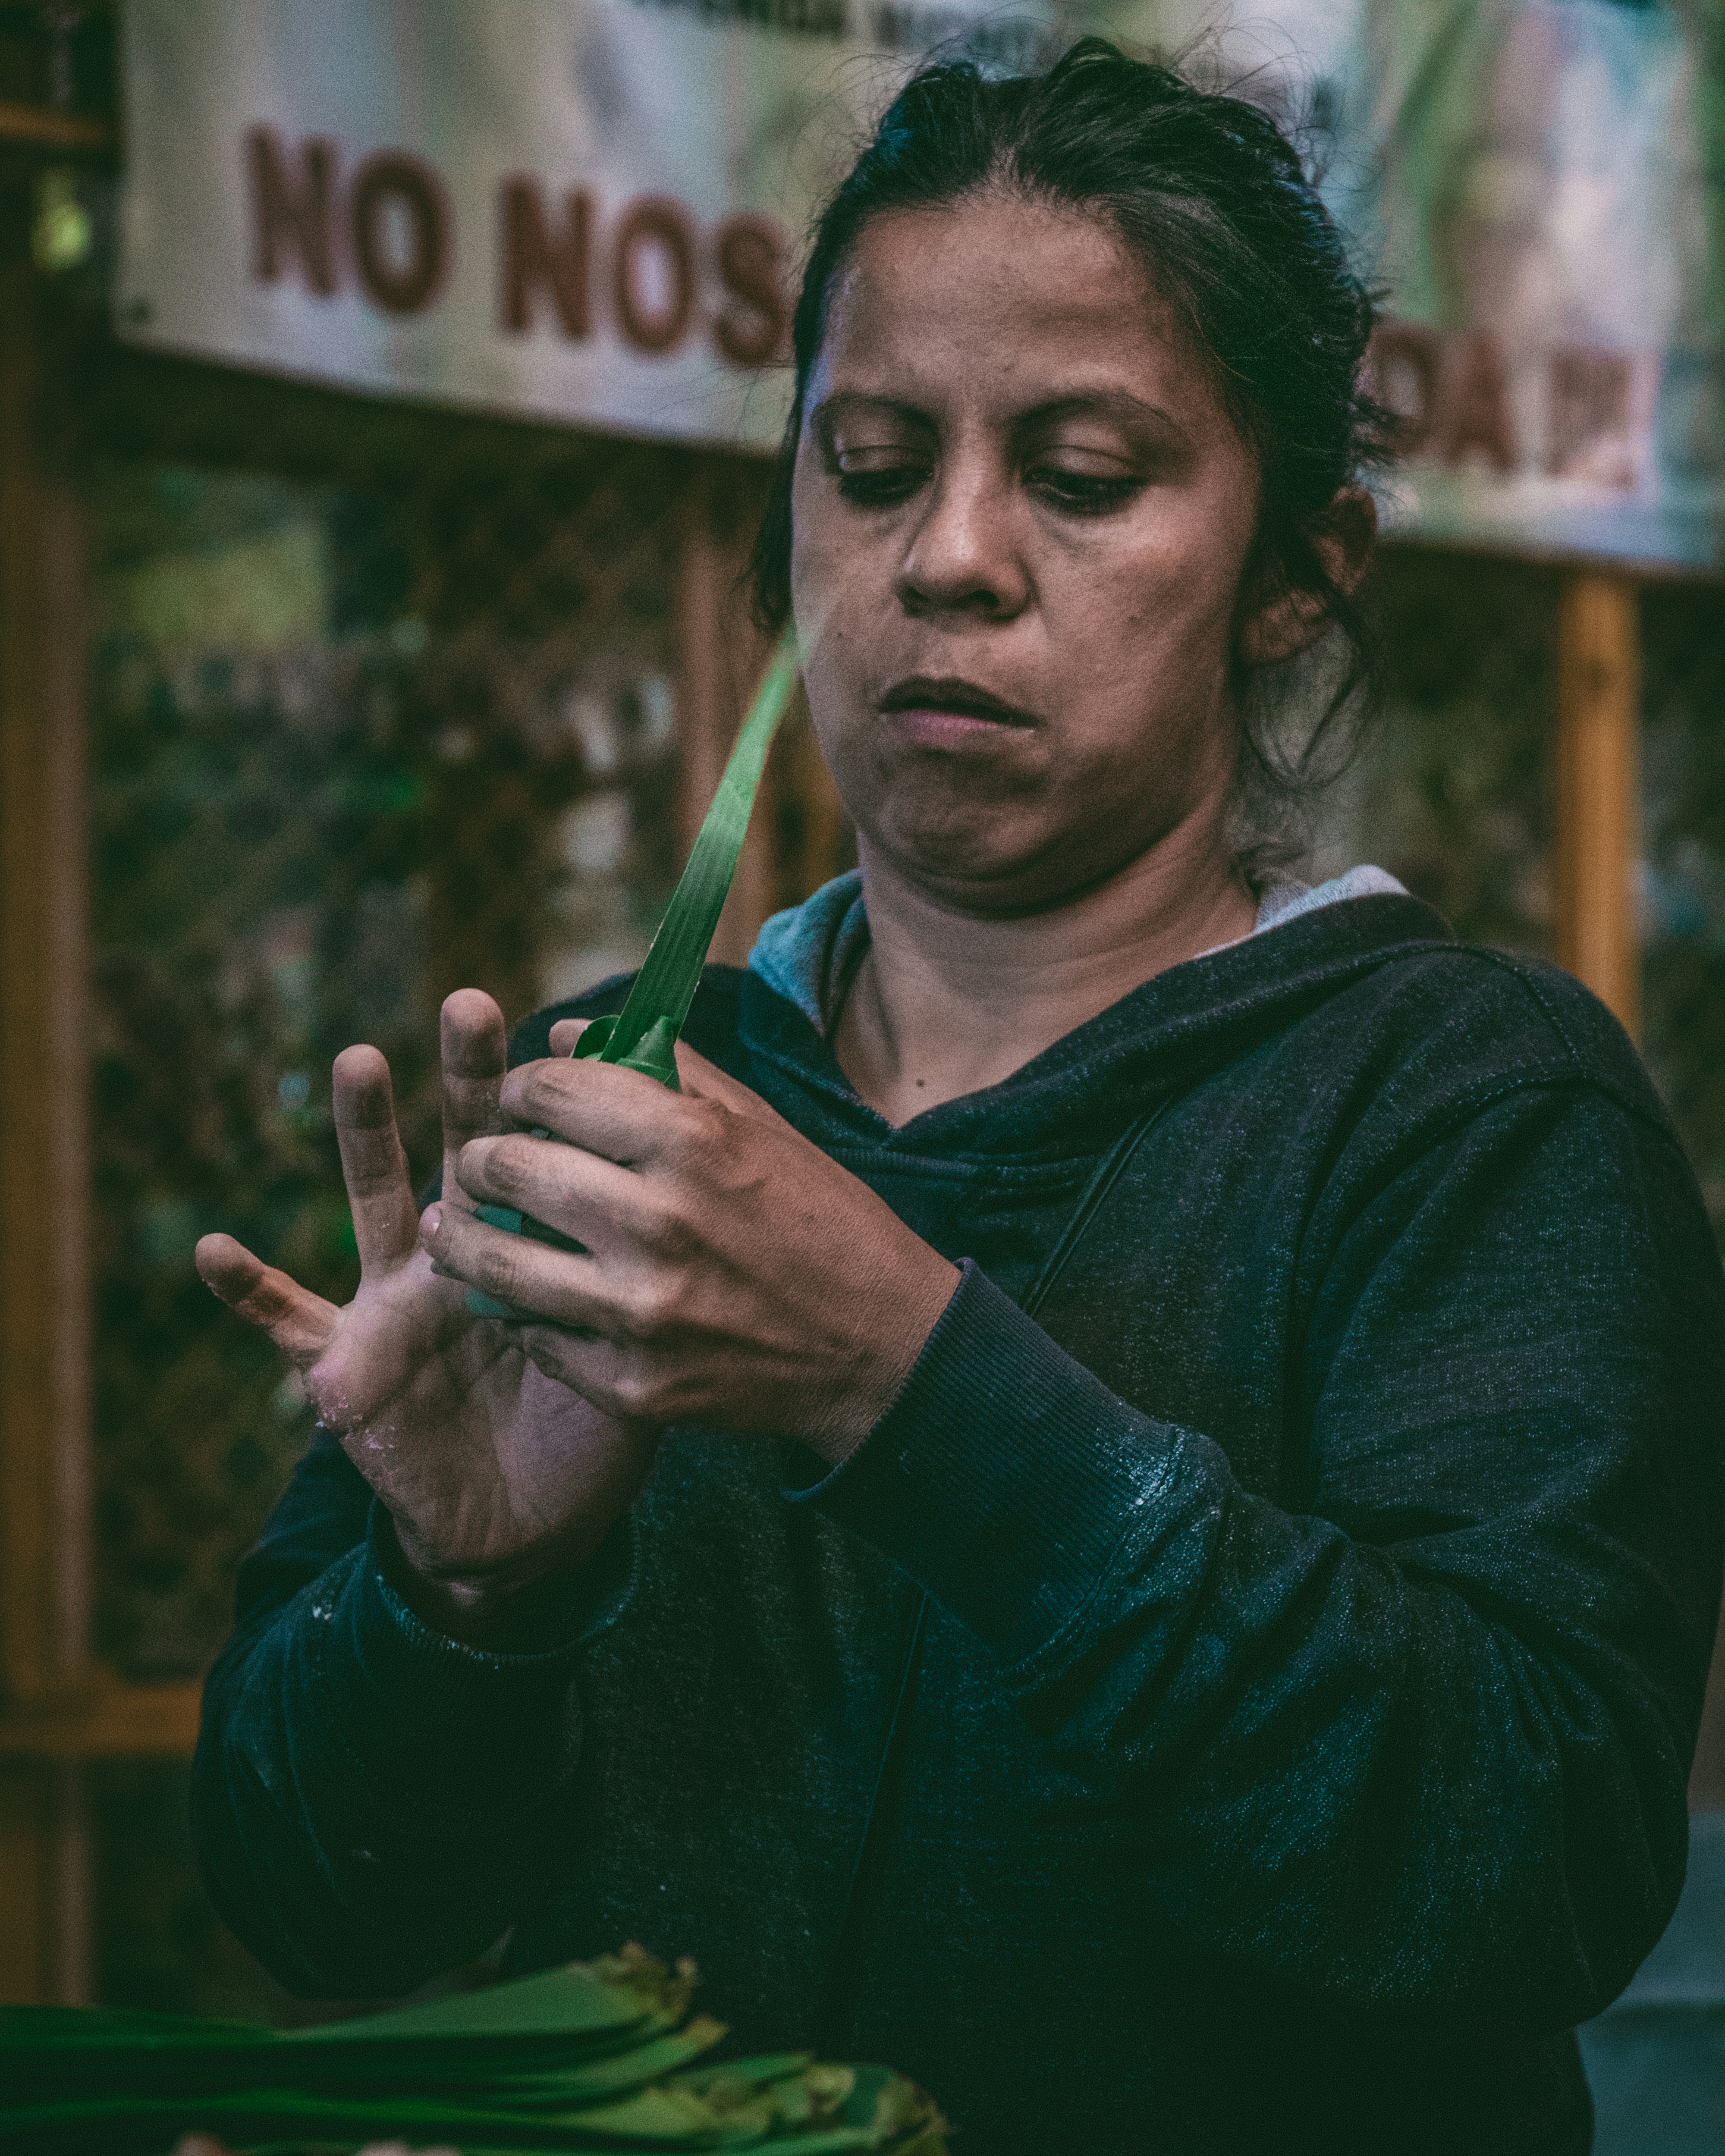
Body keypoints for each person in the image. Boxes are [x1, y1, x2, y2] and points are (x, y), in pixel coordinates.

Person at [192, 42, 1724, 2156]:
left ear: (1297, 566)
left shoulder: (1469, 1109)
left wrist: (907, 1388)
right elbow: (304, 1896)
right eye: (875, 460)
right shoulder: (608, 1102)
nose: (951, 556)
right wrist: (464, 1599)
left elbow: (1524, 1857)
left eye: (1084, 475)